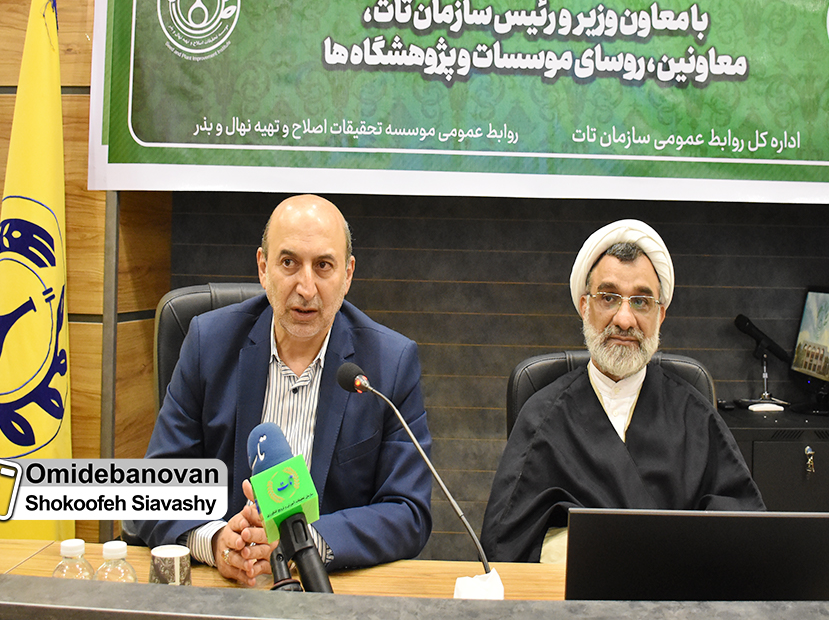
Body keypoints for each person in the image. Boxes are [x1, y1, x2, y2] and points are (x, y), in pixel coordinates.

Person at [131, 195, 432, 582]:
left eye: (323, 266)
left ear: (347, 275)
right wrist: (216, 541)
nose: (306, 288)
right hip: (227, 586)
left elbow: (408, 511)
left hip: (326, 587)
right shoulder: (209, 343)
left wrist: (303, 544)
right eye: (289, 263)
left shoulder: (389, 363)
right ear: (263, 268)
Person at [480, 219, 764, 563]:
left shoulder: (695, 416)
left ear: (661, 315)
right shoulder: (541, 416)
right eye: (608, 298)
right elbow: (503, 548)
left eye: (641, 302)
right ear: (584, 306)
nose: (625, 320)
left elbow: (745, 536)